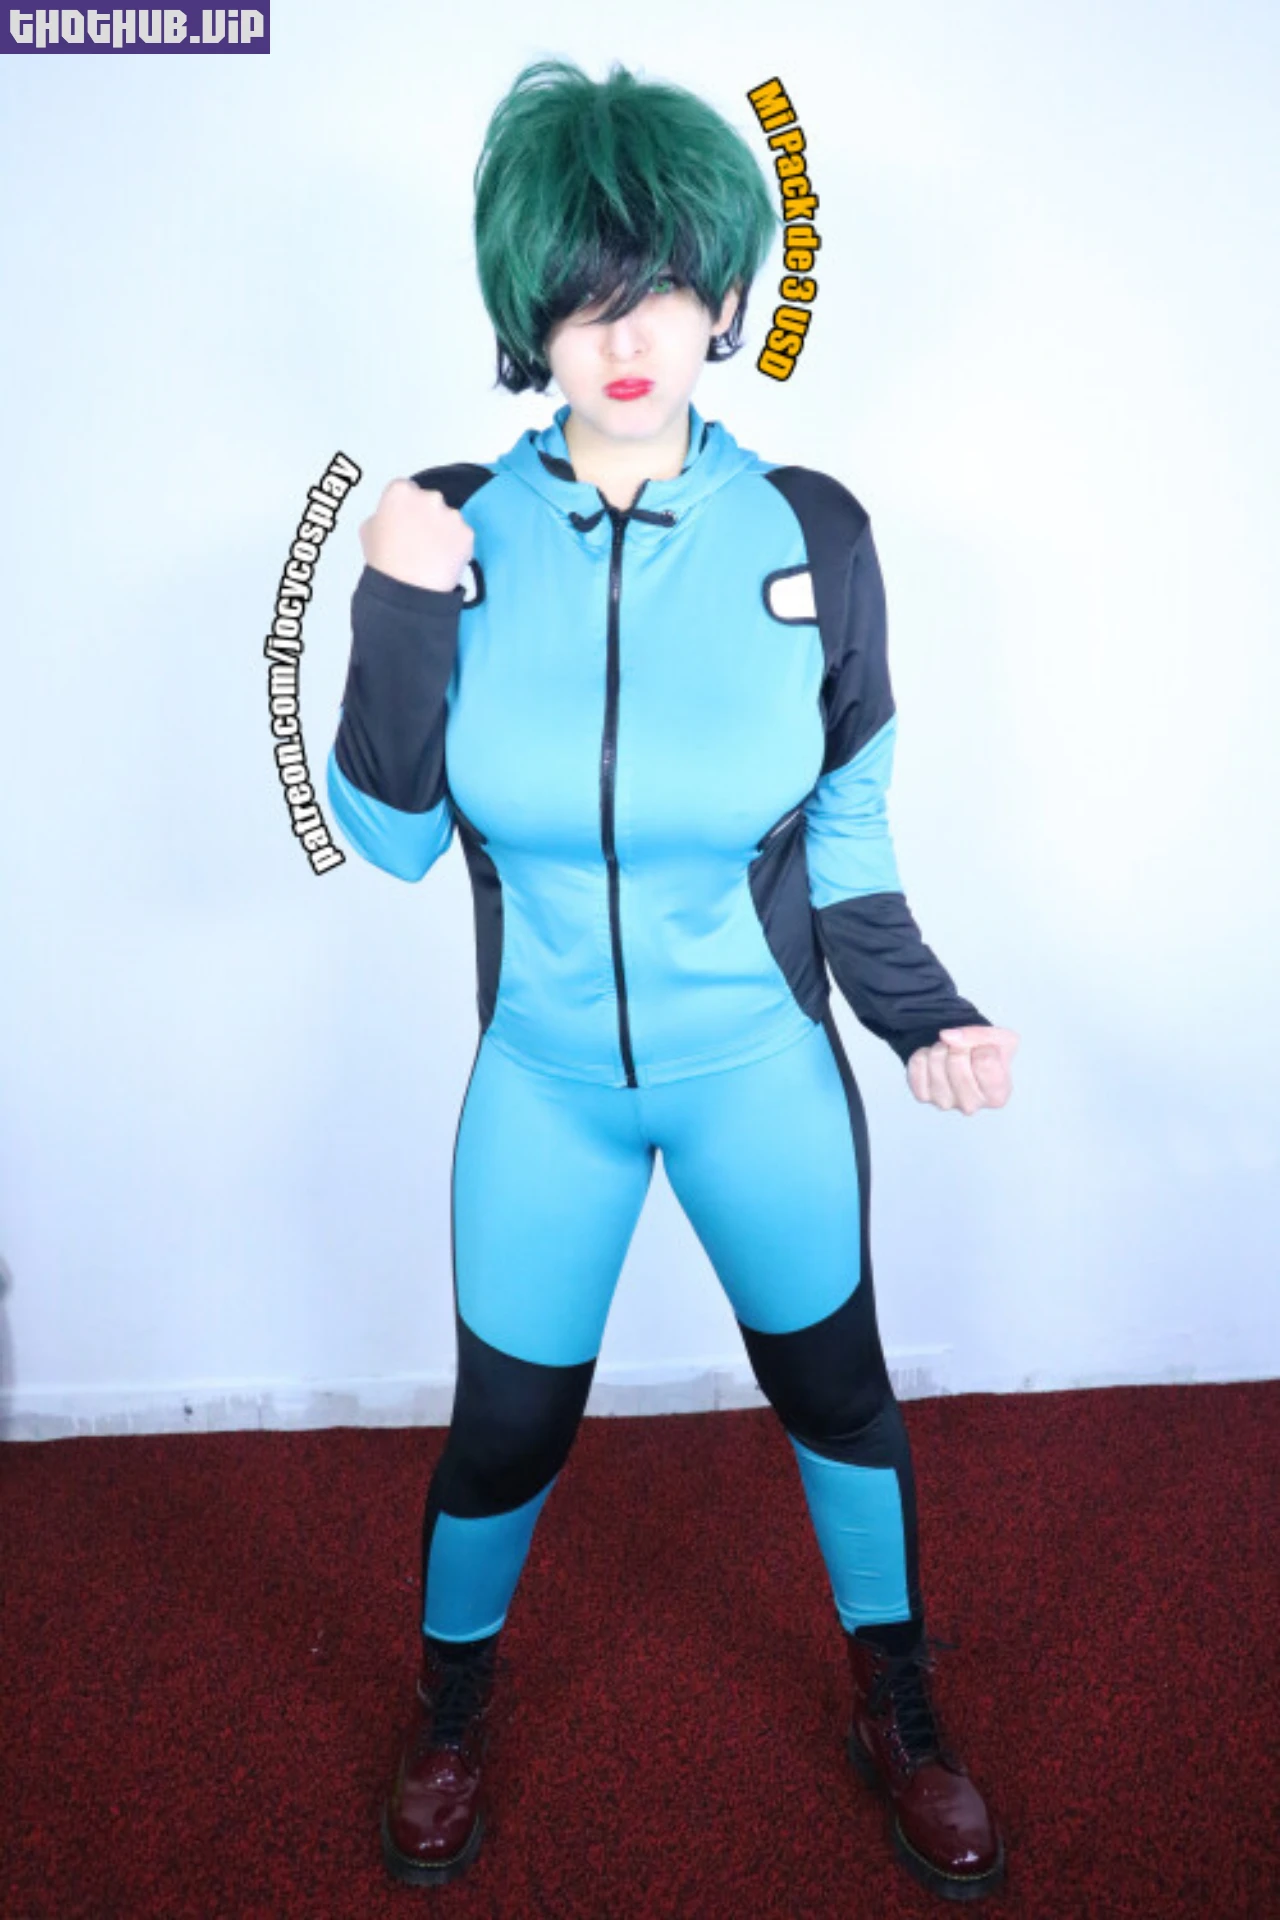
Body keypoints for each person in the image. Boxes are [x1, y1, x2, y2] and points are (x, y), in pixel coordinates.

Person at [326, 56, 1019, 1902]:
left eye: (662, 291)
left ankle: (898, 1708)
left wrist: (923, 1010)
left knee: (839, 1396)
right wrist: (391, 597)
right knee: (506, 1429)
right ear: (527, 319)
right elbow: (385, 839)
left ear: (724, 297)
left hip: (755, 1072)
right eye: (580, 300)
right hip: (543, 1081)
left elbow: (849, 826)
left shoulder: (817, 533)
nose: (625, 338)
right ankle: (449, 1715)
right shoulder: (451, 528)